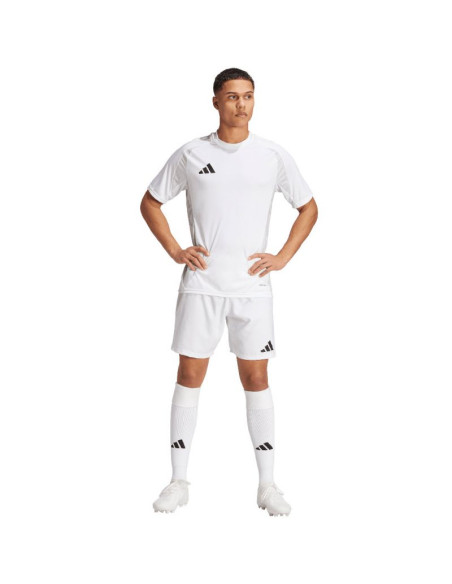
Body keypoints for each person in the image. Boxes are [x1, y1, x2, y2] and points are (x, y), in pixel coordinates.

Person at [140, 67, 318, 516]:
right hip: (202, 285)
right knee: (189, 374)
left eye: (248, 96)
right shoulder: (192, 153)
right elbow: (150, 201)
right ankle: (178, 481)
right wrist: (175, 249)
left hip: (252, 288)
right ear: (216, 101)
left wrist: (283, 256)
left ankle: (268, 485)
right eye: (233, 96)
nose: (241, 104)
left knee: (256, 378)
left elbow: (309, 207)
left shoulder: (272, 155)